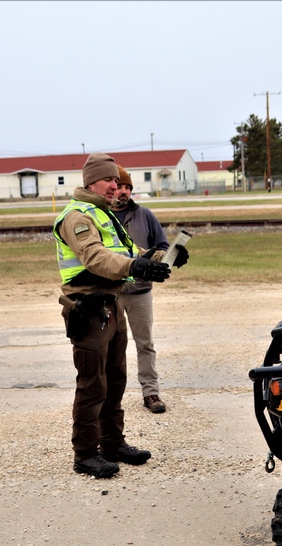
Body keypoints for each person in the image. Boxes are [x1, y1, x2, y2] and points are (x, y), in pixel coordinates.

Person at [52, 152, 186, 479]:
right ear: (92, 181)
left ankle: (112, 442)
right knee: (91, 384)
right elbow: (95, 257)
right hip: (89, 308)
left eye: (117, 181)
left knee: (115, 380)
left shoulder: (103, 213)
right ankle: (85, 453)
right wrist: (134, 266)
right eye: (110, 180)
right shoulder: (78, 216)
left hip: (111, 306)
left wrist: (160, 256)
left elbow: (128, 254)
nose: (116, 186)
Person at [112, 166, 170, 414]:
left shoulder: (145, 215)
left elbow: (162, 246)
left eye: (128, 188)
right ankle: (110, 396)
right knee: (112, 347)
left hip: (140, 292)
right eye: (120, 187)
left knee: (145, 344)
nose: (124, 192)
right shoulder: (101, 216)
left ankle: (151, 392)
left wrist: (171, 255)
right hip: (111, 291)